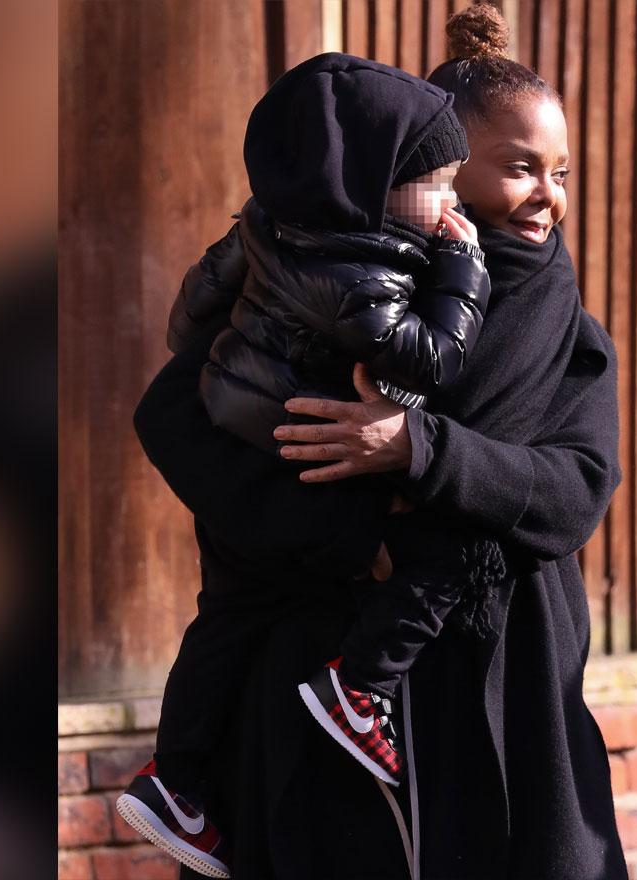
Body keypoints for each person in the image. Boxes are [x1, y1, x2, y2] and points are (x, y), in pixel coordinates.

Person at [133, 4, 627, 878]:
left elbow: (573, 491)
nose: (549, 197)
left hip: (501, 698)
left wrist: (419, 448)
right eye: (518, 169)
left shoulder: (566, 333)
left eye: (561, 174)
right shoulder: (309, 288)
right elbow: (176, 416)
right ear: (431, 170)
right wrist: (350, 539)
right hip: (312, 688)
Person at [115, 53, 498, 878]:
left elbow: (191, 314)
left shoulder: (265, 225)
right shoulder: (363, 275)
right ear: (379, 181)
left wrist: (240, 362)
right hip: (299, 481)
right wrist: (465, 270)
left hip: (242, 435)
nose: (453, 206)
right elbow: (431, 362)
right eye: (439, 185)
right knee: (429, 558)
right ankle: (357, 692)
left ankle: (174, 781)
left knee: (223, 617)